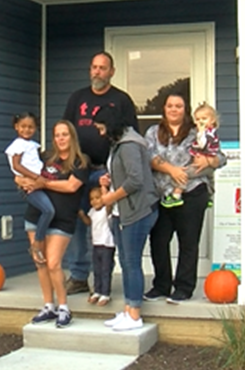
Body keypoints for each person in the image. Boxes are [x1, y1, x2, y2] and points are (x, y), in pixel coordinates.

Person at [61, 51, 139, 296]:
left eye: (102, 68)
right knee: (78, 220)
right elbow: (66, 131)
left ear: (111, 72)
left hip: (108, 172)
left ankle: (103, 279)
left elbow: (130, 136)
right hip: (80, 172)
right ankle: (78, 275)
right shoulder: (78, 98)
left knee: (107, 225)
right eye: (94, 67)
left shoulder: (121, 100)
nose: (97, 72)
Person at [144, 93, 225, 304]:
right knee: (158, 242)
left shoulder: (196, 132)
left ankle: (184, 287)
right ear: (164, 109)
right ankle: (161, 285)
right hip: (161, 195)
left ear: (184, 109)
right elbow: (148, 157)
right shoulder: (153, 132)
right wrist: (172, 170)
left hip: (192, 192)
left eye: (178, 106)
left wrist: (209, 162)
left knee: (188, 243)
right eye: (170, 105)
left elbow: (220, 157)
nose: (173, 109)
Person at [15, 120, 89, 329]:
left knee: (54, 263)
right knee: (40, 262)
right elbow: (20, 176)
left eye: (65, 134)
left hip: (62, 219)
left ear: (72, 136)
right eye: (57, 135)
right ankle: (49, 306)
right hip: (35, 216)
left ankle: (64, 307)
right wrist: (24, 181)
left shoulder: (81, 161)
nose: (61, 138)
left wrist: (43, 183)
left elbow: (71, 186)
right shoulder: (45, 157)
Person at [94, 106, 159, 331]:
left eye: (102, 128)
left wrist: (110, 196)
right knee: (125, 262)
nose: (101, 133)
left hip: (137, 211)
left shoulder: (130, 144)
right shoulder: (118, 145)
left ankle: (135, 314)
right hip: (122, 212)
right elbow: (123, 174)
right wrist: (108, 178)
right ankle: (127, 310)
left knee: (132, 263)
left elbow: (135, 180)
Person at [4, 112, 53, 265]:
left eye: (31, 127)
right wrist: (35, 177)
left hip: (39, 184)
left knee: (48, 211)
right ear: (16, 127)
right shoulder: (17, 145)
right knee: (48, 210)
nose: (27, 130)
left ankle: (40, 238)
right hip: (29, 186)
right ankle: (37, 243)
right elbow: (17, 165)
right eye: (23, 126)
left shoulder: (32, 145)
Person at [161, 102, 221, 208]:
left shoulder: (207, 133)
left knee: (184, 174)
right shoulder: (207, 132)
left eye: (204, 118)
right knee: (210, 177)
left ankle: (176, 195)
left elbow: (203, 144)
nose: (200, 122)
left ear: (212, 121)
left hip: (202, 166)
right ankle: (210, 197)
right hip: (204, 165)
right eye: (198, 119)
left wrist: (208, 160)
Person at [78, 186, 115, 307]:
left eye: (97, 198)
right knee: (97, 269)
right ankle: (97, 291)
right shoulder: (92, 211)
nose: (94, 201)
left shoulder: (106, 210)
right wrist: (82, 215)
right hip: (96, 244)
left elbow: (109, 205)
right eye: (92, 199)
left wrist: (105, 190)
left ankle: (105, 293)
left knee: (105, 269)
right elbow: (89, 222)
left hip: (107, 244)